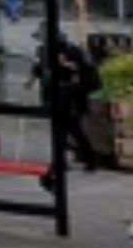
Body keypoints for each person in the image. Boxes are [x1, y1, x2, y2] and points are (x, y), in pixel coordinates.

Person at [36, 33, 102, 175]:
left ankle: (89, 160)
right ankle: (63, 162)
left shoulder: (75, 52)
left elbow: (87, 70)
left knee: (74, 130)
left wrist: (67, 64)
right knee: (62, 132)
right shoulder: (48, 53)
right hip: (60, 97)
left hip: (74, 99)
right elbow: (43, 72)